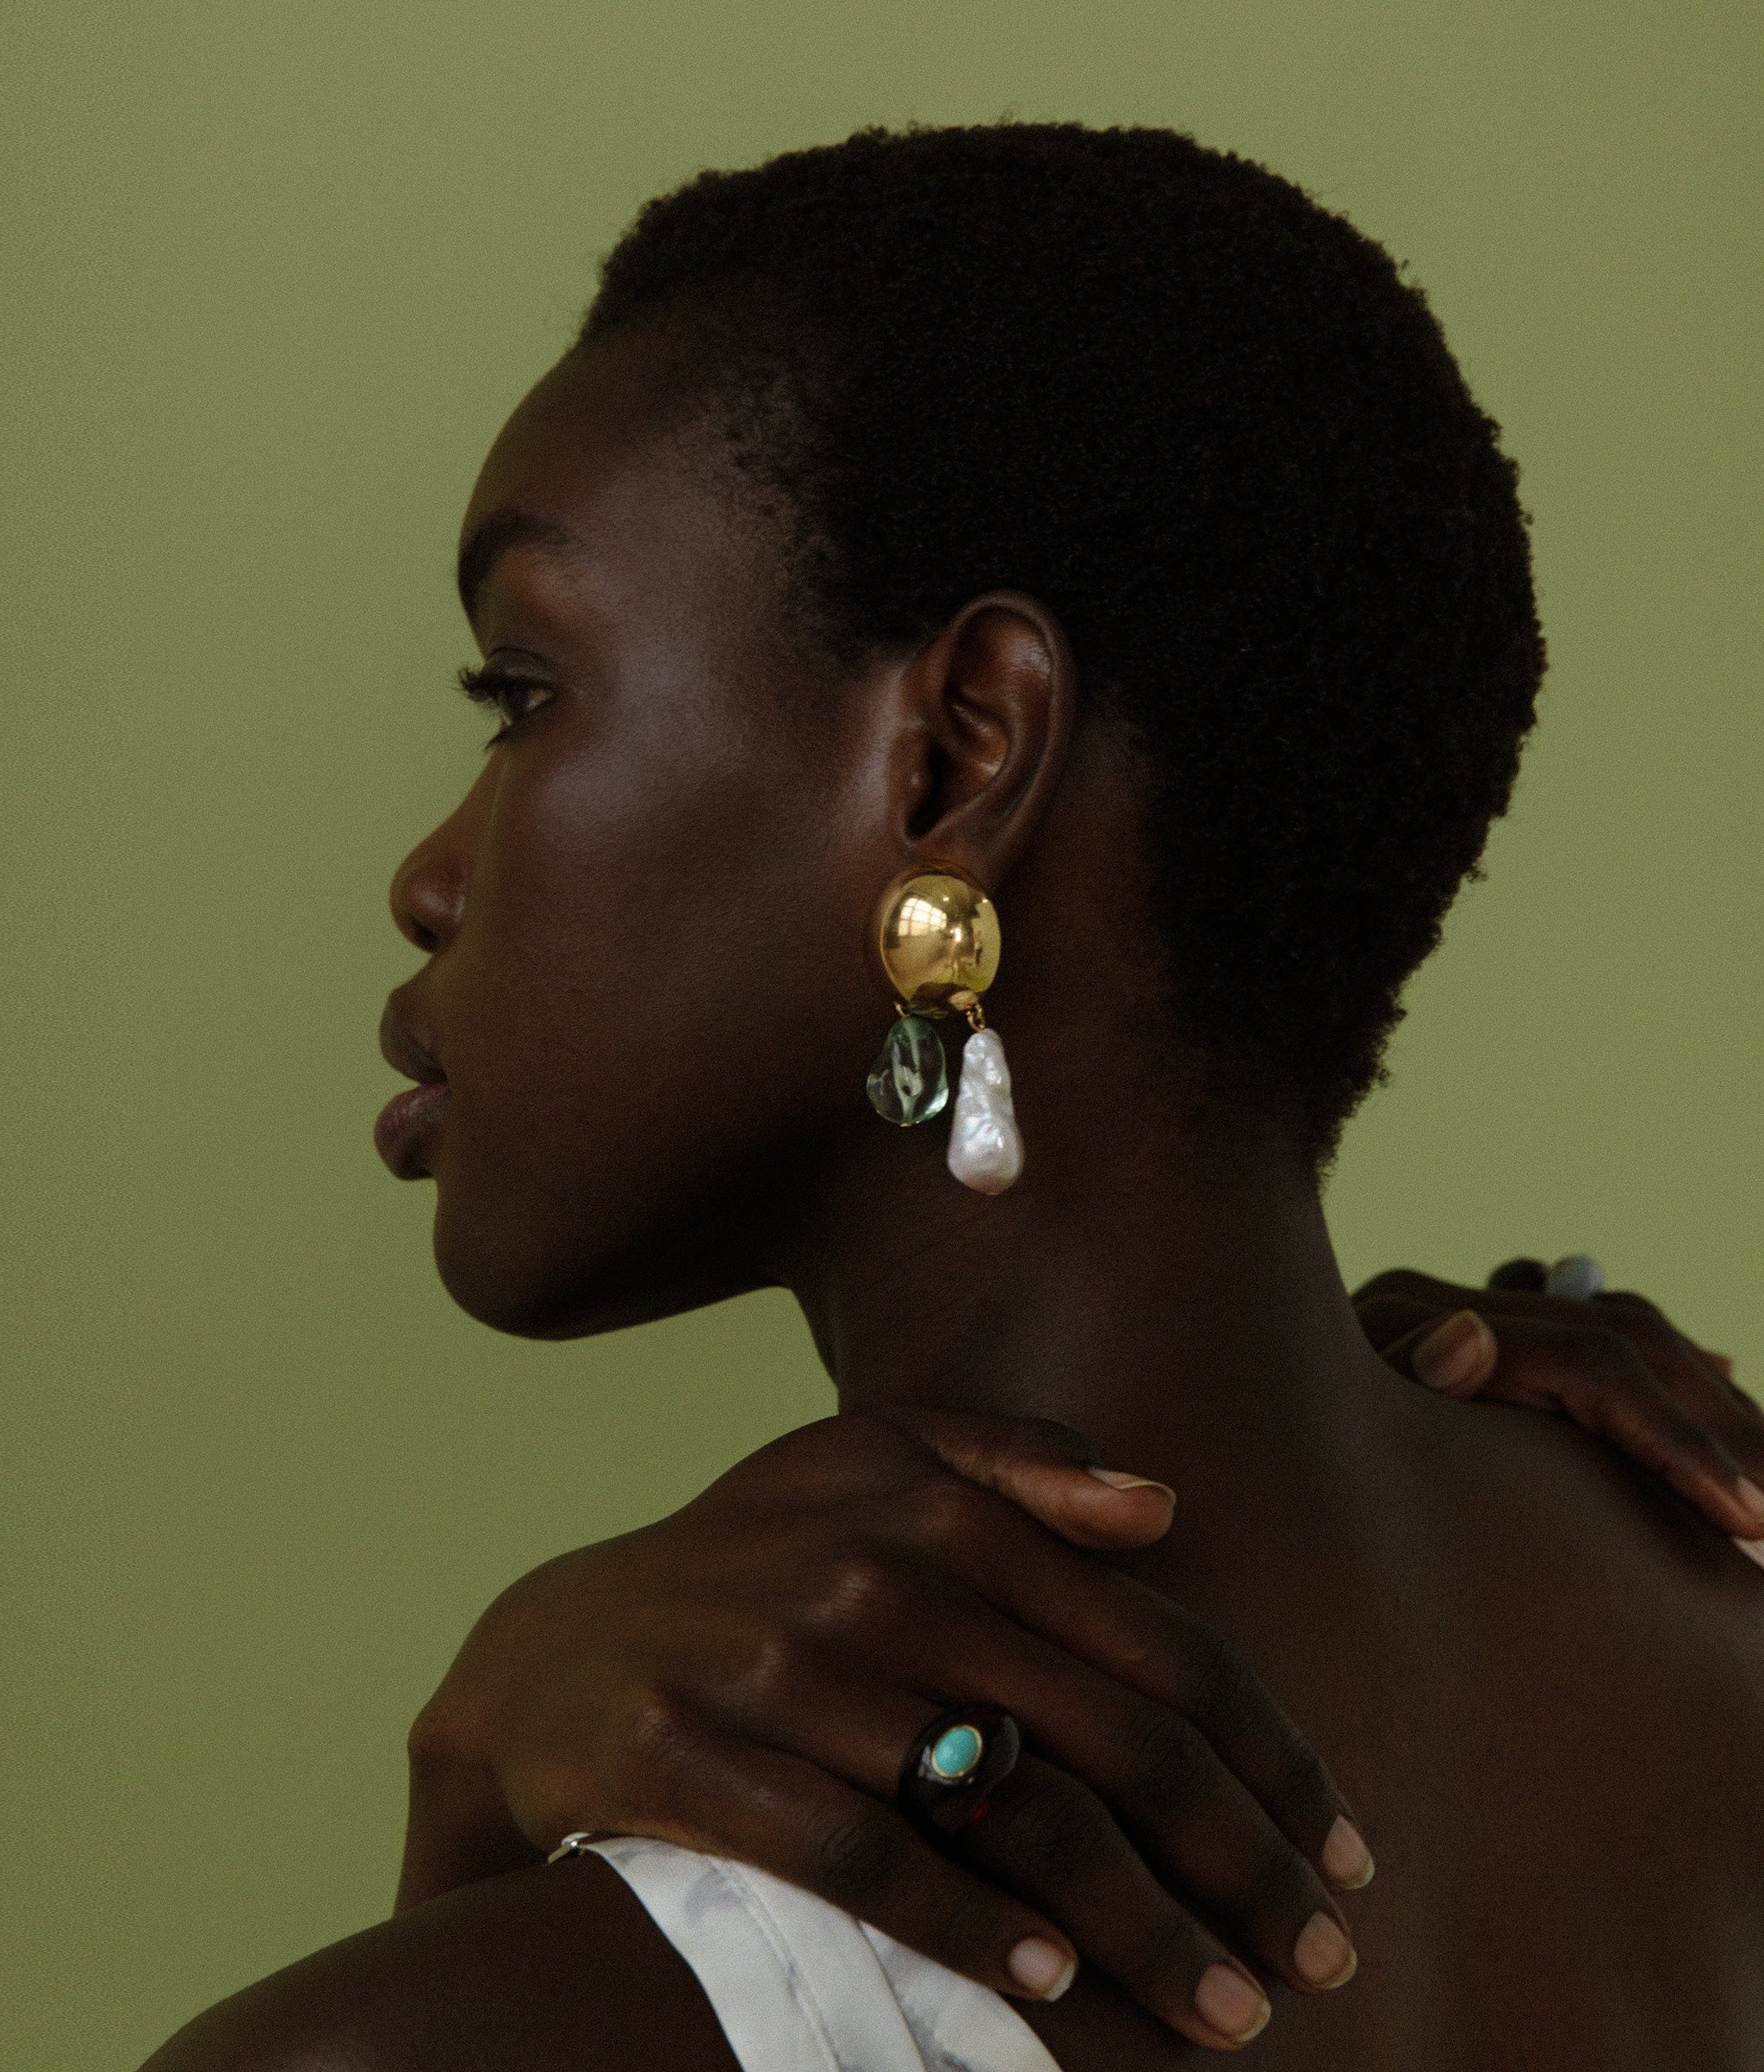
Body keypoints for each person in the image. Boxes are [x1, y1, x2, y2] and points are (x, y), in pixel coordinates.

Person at [142, 123, 1764, 2070]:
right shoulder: (1700, 1607)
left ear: (955, 762)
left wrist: (470, 1800)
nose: (432, 878)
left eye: (523, 692)